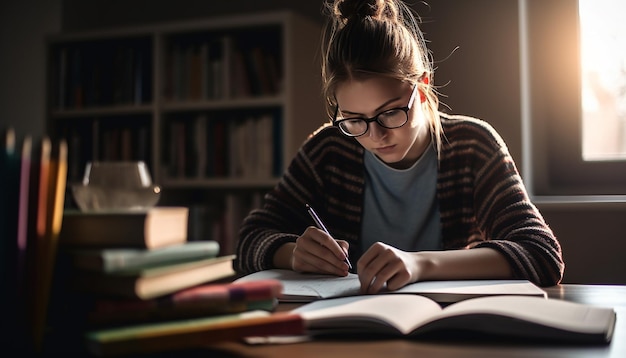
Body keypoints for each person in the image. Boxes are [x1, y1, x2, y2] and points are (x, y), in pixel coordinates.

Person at [234, 0, 564, 293]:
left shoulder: (473, 147)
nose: (375, 135)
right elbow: (249, 240)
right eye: (354, 119)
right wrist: (292, 253)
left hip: (451, 327)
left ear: (422, 87)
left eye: (390, 112)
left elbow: (542, 254)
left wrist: (420, 265)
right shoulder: (328, 151)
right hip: (350, 329)